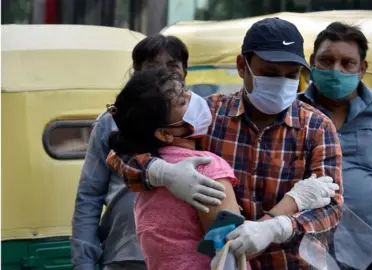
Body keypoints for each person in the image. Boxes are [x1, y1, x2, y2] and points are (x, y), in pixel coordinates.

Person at [107, 17, 344, 270]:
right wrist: (162, 173)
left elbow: (330, 206)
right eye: (270, 73)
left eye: (291, 75)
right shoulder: (210, 116)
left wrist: (280, 228)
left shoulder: (316, 127)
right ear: (242, 66)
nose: (281, 83)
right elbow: (122, 153)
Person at [70, 34, 211, 270]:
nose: (164, 74)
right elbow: (89, 196)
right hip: (125, 256)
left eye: (173, 66)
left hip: (185, 257)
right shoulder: (111, 123)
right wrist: (84, 262)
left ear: (185, 73)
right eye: (153, 67)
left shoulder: (201, 120)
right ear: (137, 72)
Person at [297, 22, 372, 270]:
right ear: (312, 62)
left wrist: (366, 228)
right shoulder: (294, 113)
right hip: (308, 253)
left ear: (362, 69)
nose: (335, 70)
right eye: (326, 61)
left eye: (347, 63)